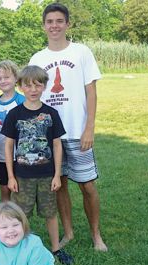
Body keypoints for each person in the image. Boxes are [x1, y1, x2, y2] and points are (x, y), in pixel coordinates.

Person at [29, 2, 107, 251]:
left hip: (77, 131)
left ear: (67, 24)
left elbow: (91, 91)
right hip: (51, 134)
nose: (54, 25)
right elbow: (32, 95)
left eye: (59, 21)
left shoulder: (81, 52)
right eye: (50, 21)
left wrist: (89, 127)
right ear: (44, 26)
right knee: (59, 184)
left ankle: (96, 235)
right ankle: (69, 233)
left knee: (87, 185)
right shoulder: (38, 58)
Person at [1, 65, 73, 265]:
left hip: (47, 175)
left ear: (44, 86)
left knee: (50, 212)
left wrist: (57, 174)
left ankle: (56, 249)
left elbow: (57, 145)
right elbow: (8, 146)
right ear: (21, 87)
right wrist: (10, 176)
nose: (33, 89)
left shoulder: (51, 113)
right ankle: (20, 248)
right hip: (22, 175)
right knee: (21, 214)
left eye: (37, 85)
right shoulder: (15, 114)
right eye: (28, 85)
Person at [0, 60, 25, 202]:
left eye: (7, 77)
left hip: (19, 156)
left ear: (16, 78)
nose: (3, 81)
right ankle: (5, 219)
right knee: (4, 189)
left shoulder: (22, 101)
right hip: (0, 155)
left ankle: (20, 222)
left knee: (19, 190)